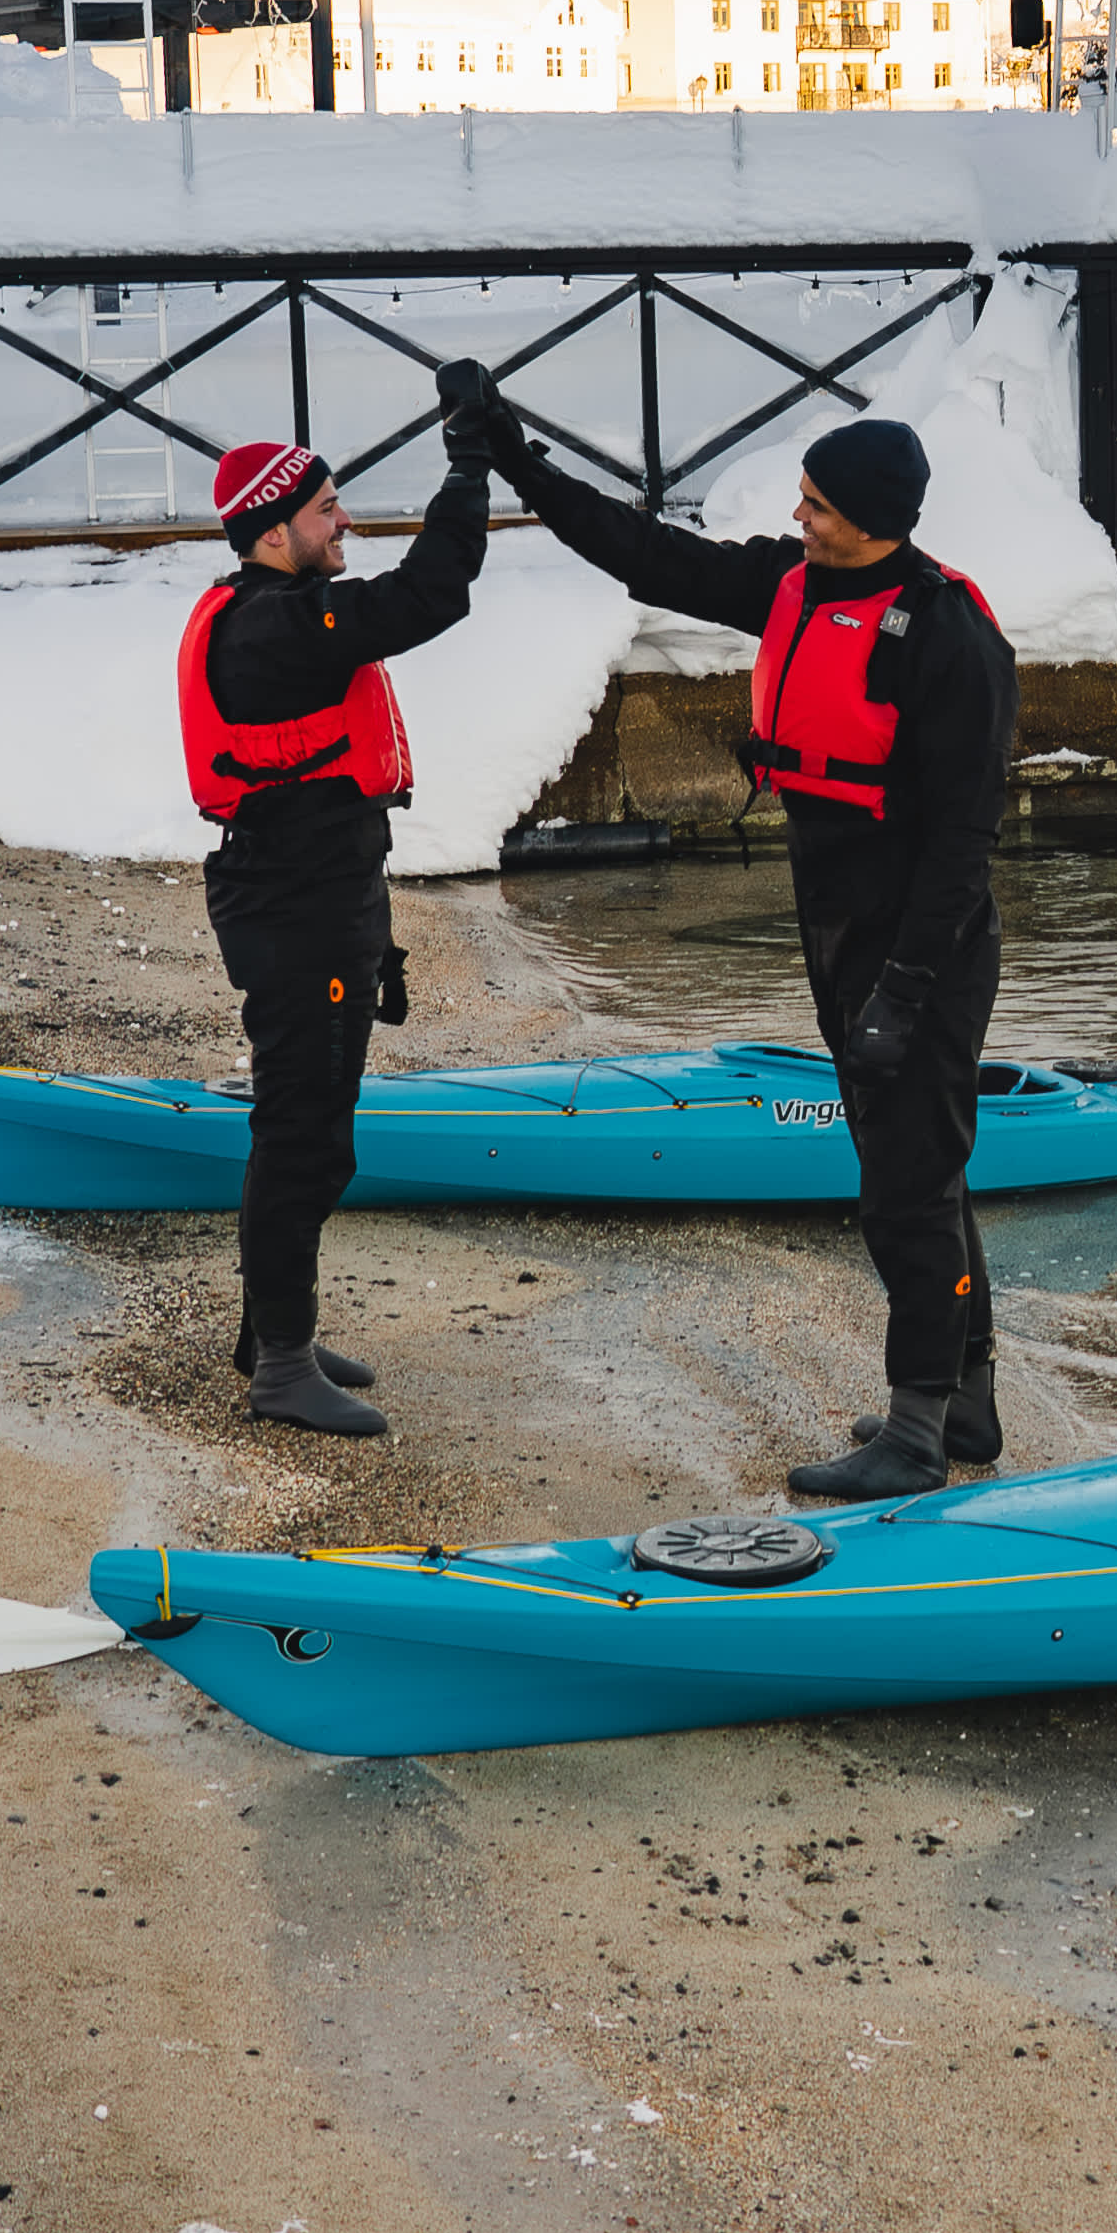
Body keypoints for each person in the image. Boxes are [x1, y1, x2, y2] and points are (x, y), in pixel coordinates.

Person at [443, 372, 1016, 1497]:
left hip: (922, 939)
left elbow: (962, 842)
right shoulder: (792, 585)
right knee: (915, 1164)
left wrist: (904, 989)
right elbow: (642, 552)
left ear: (871, 518)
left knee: (905, 1180)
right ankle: (966, 1400)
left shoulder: (944, 636)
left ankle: (912, 1431)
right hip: (839, 922)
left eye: (814, 504)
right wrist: (517, 458)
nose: (794, 518)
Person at [181, 432, 485, 1436]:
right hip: (293, 909)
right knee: (303, 1140)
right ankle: (277, 1366)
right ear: (273, 535)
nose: (342, 520)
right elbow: (425, 598)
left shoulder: (278, 615)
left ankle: (274, 1333)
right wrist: (467, 473)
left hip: (317, 895)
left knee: (317, 1135)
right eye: (324, 510)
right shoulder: (270, 629)